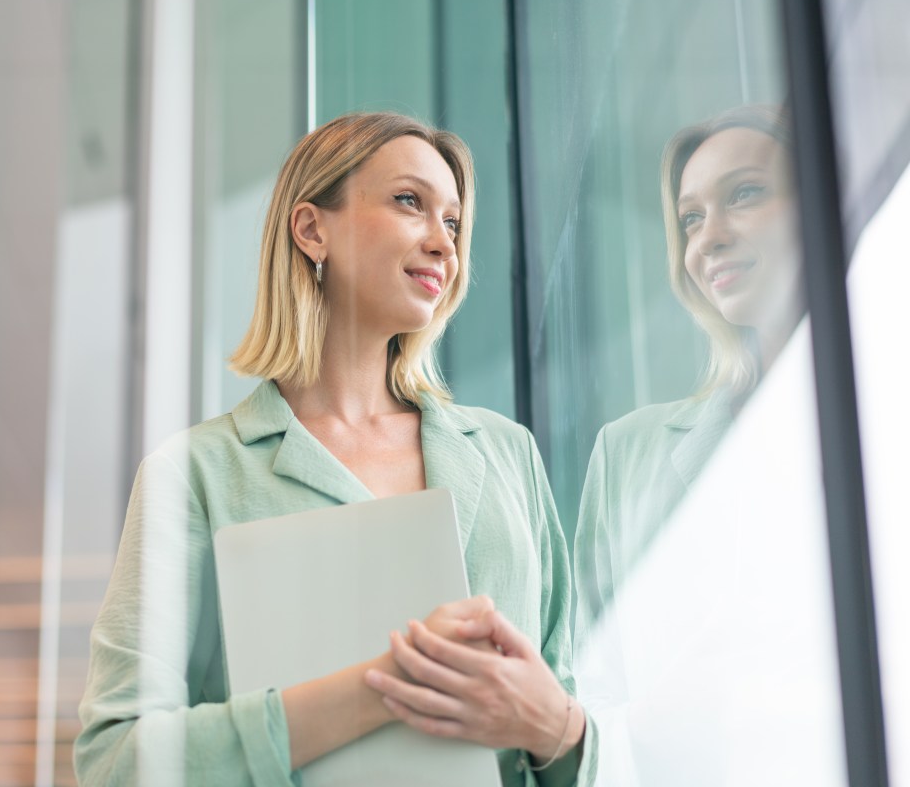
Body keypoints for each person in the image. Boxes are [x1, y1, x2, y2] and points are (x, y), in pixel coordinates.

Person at [74, 112, 595, 785]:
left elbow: (572, 720)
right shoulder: (195, 476)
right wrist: (390, 685)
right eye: (411, 202)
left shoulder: (507, 455)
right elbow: (116, 761)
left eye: (455, 223)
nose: (444, 243)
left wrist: (556, 727)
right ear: (312, 228)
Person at [574, 104, 802, 635]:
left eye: (744, 194)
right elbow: (591, 678)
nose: (708, 238)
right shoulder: (626, 453)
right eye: (691, 218)